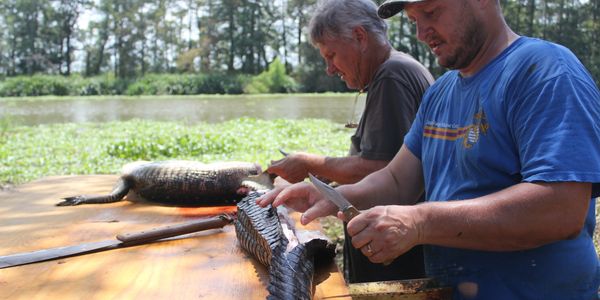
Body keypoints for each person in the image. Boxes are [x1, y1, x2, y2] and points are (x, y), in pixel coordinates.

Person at [258, 0, 600, 298]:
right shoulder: (443, 92)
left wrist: (419, 222)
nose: (422, 32)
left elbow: (561, 207)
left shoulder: (545, 71)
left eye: (432, 11)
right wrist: (335, 198)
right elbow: (397, 180)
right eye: (413, 20)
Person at [265, 0, 434, 283]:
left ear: (359, 37)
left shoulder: (392, 75)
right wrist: (325, 178)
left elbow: (384, 170)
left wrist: (309, 163)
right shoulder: (394, 70)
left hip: (396, 258)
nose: (330, 69)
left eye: (331, 55)